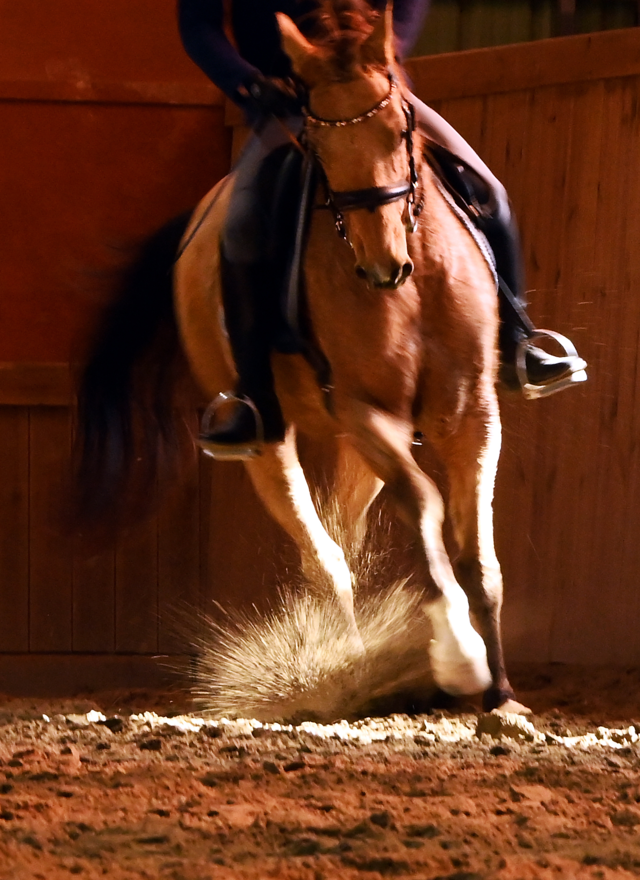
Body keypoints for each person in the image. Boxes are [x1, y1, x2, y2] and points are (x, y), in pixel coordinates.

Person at [178, 0, 587, 458]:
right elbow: (198, 25)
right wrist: (250, 83)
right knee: (242, 224)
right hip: (286, 100)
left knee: (489, 190)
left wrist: (380, 53)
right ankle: (254, 399)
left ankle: (517, 342)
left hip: (373, 87)